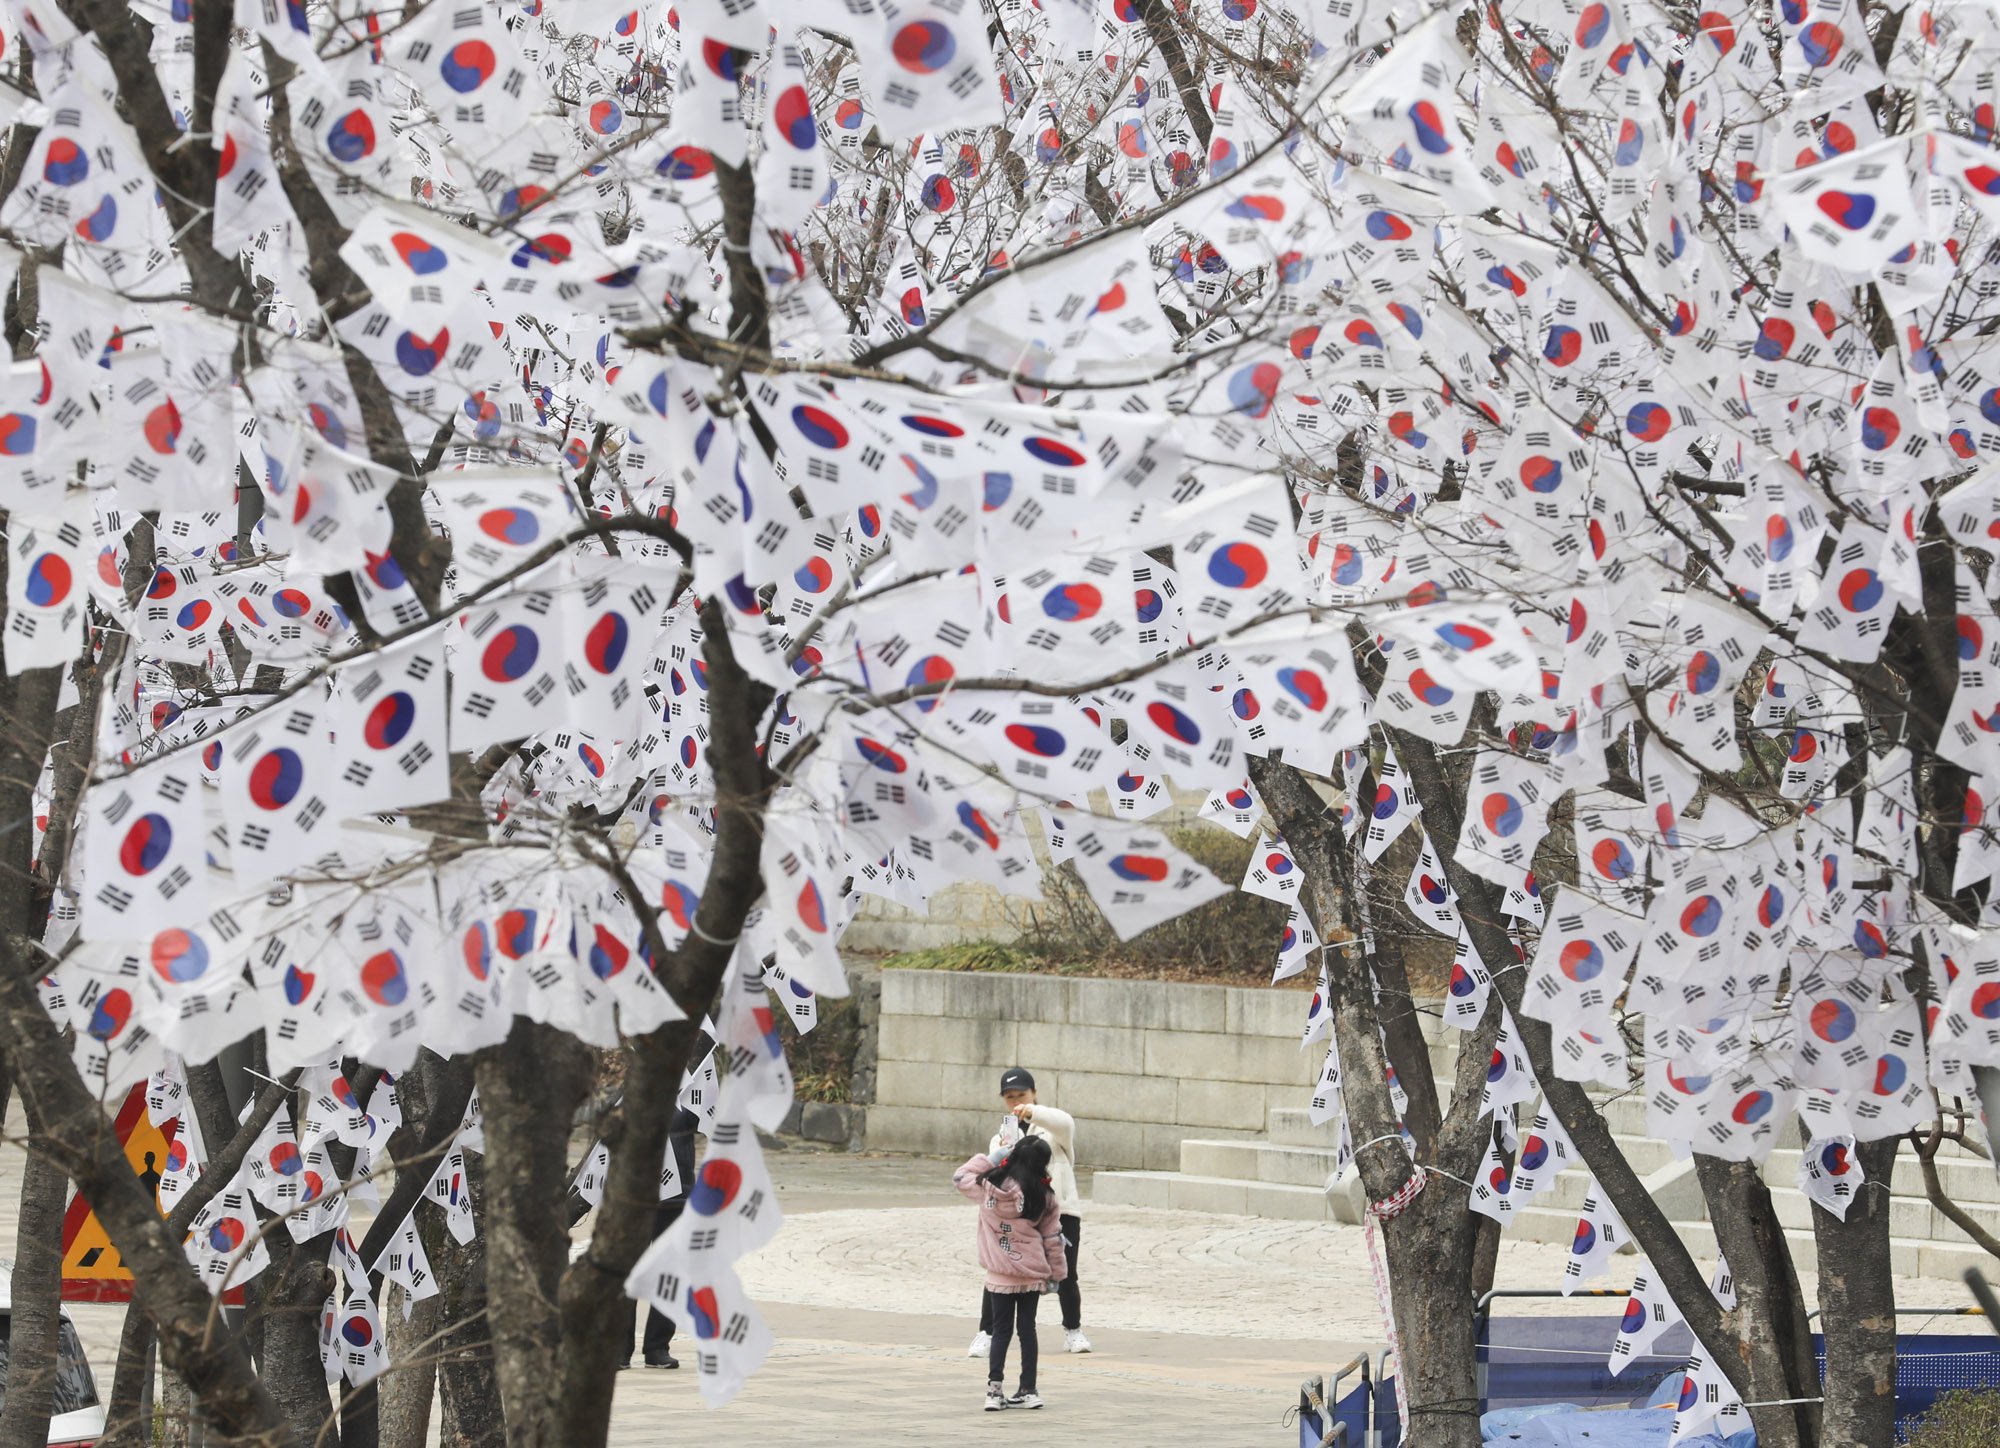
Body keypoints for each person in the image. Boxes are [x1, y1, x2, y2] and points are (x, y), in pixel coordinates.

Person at [966, 1067, 1089, 1357]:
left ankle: (1073, 1330)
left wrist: (1032, 1112)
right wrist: (1004, 1153)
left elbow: (1065, 1122)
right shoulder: (1001, 1136)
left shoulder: (1053, 1130)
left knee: (1066, 1272)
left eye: (1021, 1094)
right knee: (1000, 1271)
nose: (1016, 1101)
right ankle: (986, 1332)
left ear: (1034, 1093)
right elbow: (994, 1174)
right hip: (1017, 1216)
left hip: (1060, 1211)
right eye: (1010, 1097)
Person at [953, 1135, 1067, 1411]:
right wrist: (1056, 1274)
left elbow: (960, 1177)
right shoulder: (1044, 1195)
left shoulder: (988, 1187)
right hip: (1031, 1271)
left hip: (999, 1274)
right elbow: (1052, 1238)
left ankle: (994, 1391)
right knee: (1027, 1330)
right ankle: (1029, 1389)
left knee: (1001, 1330)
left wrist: (992, 1158)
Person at [621, 1106, 700, 1369]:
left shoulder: (689, 1099)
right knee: (627, 1273)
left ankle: (657, 1347)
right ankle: (618, 1348)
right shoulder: (631, 1098)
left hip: (678, 1199)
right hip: (635, 1199)